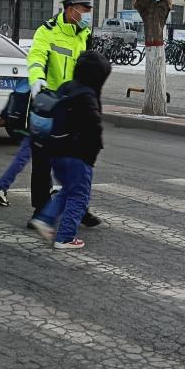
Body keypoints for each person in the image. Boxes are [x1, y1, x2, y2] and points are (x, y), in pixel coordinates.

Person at [26, 0, 102, 228]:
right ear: (71, 10)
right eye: (85, 10)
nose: (89, 14)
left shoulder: (84, 33)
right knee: (43, 161)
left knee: (80, 160)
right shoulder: (47, 32)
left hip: (76, 107)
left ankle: (79, 208)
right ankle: (40, 210)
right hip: (50, 105)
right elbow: (36, 57)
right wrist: (37, 79)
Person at [29, 51, 112, 250]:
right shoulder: (87, 96)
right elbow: (94, 128)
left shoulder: (66, 88)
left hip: (55, 151)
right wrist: (93, 153)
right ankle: (65, 237)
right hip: (77, 155)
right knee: (79, 195)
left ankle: (45, 218)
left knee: (68, 190)